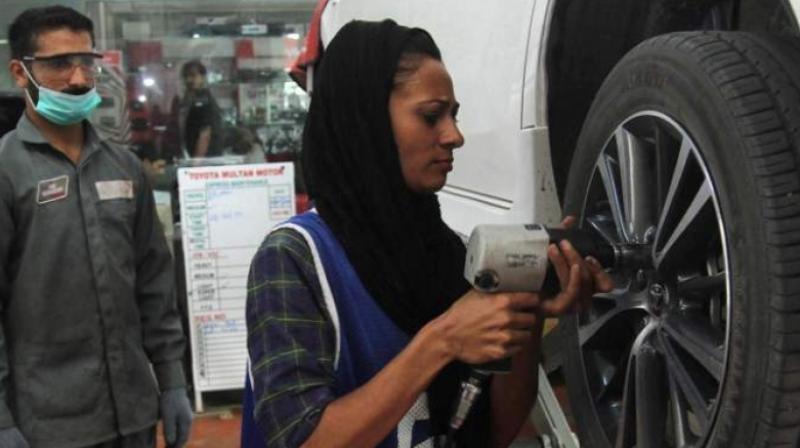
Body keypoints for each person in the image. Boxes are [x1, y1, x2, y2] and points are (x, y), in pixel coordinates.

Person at [245, 20, 613, 447]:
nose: (454, 136)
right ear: (366, 120)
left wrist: (523, 310)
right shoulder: (294, 259)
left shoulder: (449, 254)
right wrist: (442, 340)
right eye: (430, 116)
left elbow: (492, 432)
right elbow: (300, 440)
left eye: (454, 115)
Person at [0, 6, 192, 448]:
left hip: (134, 413)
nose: (78, 79)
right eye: (59, 64)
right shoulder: (7, 173)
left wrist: (172, 380)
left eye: (86, 62)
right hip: (49, 424)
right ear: (20, 72)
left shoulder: (123, 166)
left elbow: (154, 284)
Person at [166, 60, 224, 159]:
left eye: (193, 75)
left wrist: (196, 162)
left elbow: (205, 134)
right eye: (185, 76)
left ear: (202, 77)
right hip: (193, 156)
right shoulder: (189, 101)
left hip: (205, 160)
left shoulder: (203, 100)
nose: (188, 80)